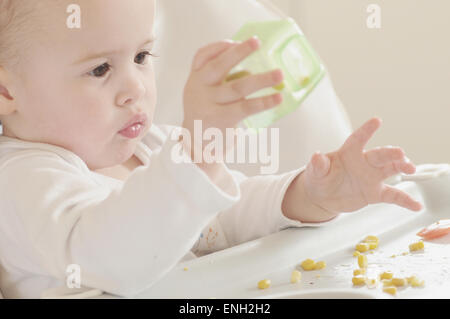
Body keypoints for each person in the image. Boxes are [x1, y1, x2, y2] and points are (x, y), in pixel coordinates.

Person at [0, 0, 421, 298]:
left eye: (142, 56)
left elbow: (225, 217)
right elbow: (114, 257)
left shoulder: (153, 147)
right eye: (100, 68)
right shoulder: (20, 179)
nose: (136, 88)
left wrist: (307, 194)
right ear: (6, 90)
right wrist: (197, 154)